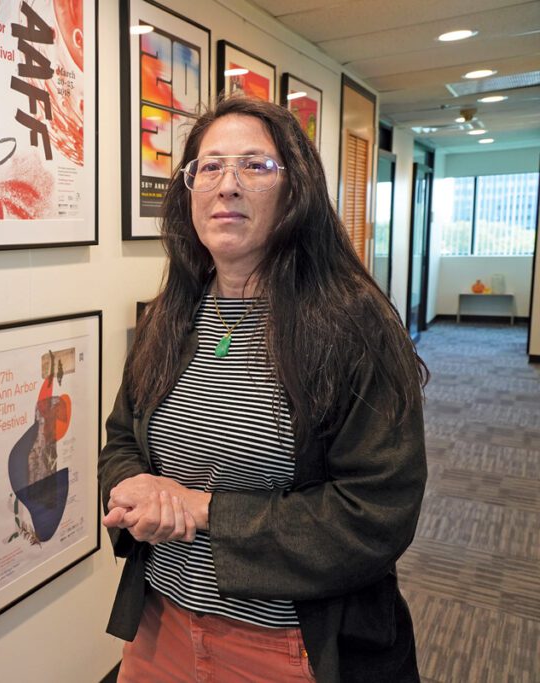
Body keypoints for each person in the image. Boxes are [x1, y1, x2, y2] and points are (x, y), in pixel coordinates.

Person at [99, 95, 428, 683]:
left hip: (289, 646)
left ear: (294, 189)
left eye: (254, 165)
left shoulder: (354, 325)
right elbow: (122, 435)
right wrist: (134, 484)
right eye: (209, 166)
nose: (227, 185)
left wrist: (204, 512)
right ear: (188, 191)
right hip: (162, 624)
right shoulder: (170, 316)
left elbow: (376, 512)